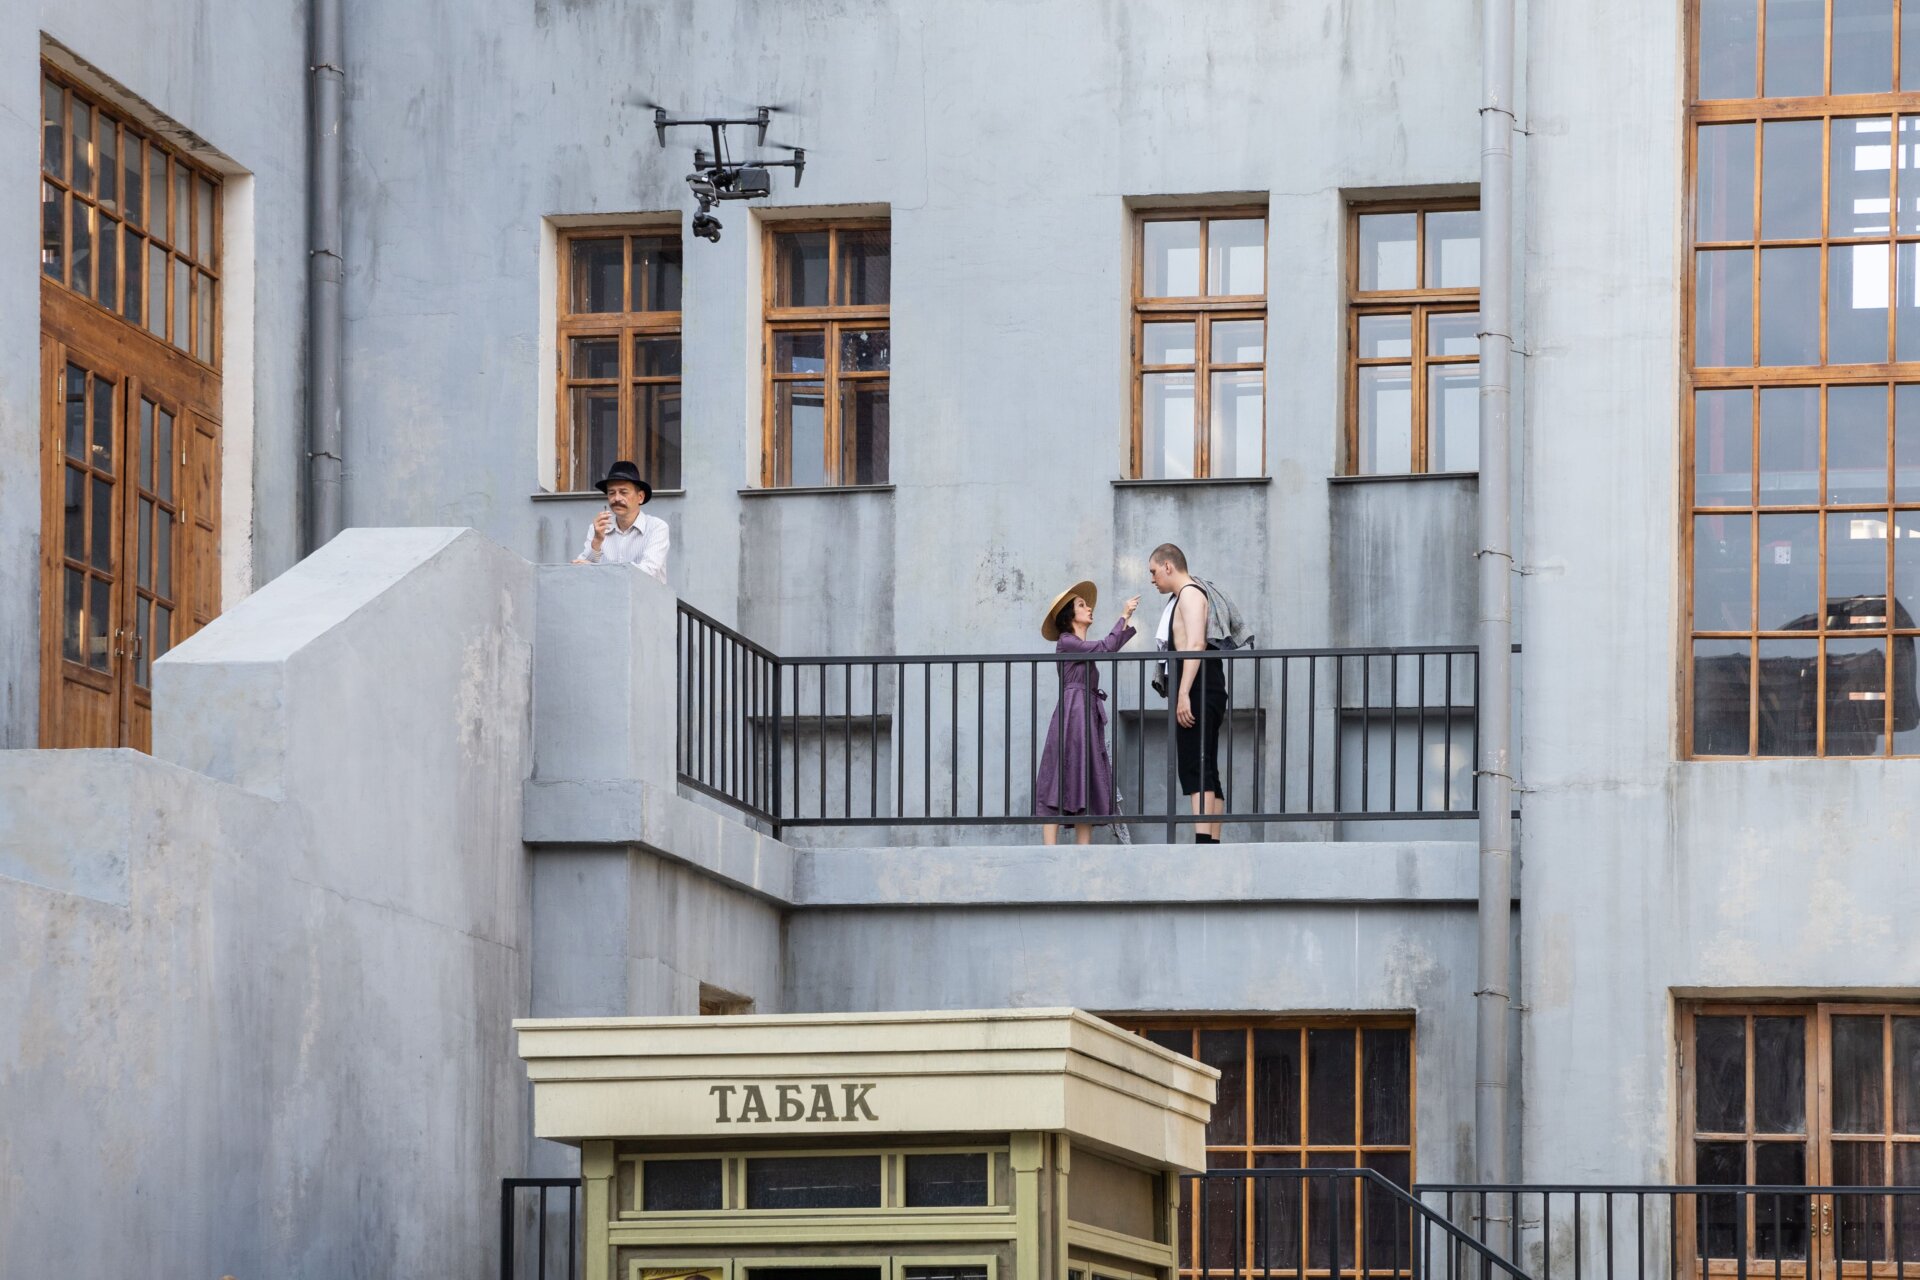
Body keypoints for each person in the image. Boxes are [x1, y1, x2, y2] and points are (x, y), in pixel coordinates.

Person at [1033, 580, 1140, 845]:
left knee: (1084, 774)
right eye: (1082, 605)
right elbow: (1105, 647)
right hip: (1074, 712)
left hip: (1084, 713)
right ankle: (1050, 852)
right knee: (1060, 773)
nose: (1089, 607)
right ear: (1069, 615)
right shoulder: (1067, 641)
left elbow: (1105, 647)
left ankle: (1083, 853)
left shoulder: (1078, 645)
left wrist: (1124, 621)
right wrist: (1124, 616)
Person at [1148, 543, 1230, 843]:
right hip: (1203, 686)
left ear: (1168, 566)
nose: (1153, 579)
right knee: (1205, 765)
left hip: (1198, 687)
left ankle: (1204, 843)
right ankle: (1211, 843)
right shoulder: (1185, 596)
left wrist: (1183, 694)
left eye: (1154, 571)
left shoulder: (1191, 594)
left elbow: (1196, 644)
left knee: (1197, 765)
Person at [573, 460, 669, 584]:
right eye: (611, 493)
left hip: (646, 596)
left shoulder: (657, 527)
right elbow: (581, 571)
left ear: (640, 497)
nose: (617, 498)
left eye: (623, 492)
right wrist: (596, 542)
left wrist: (601, 572)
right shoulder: (598, 528)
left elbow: (647, 572)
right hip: (607, 596)